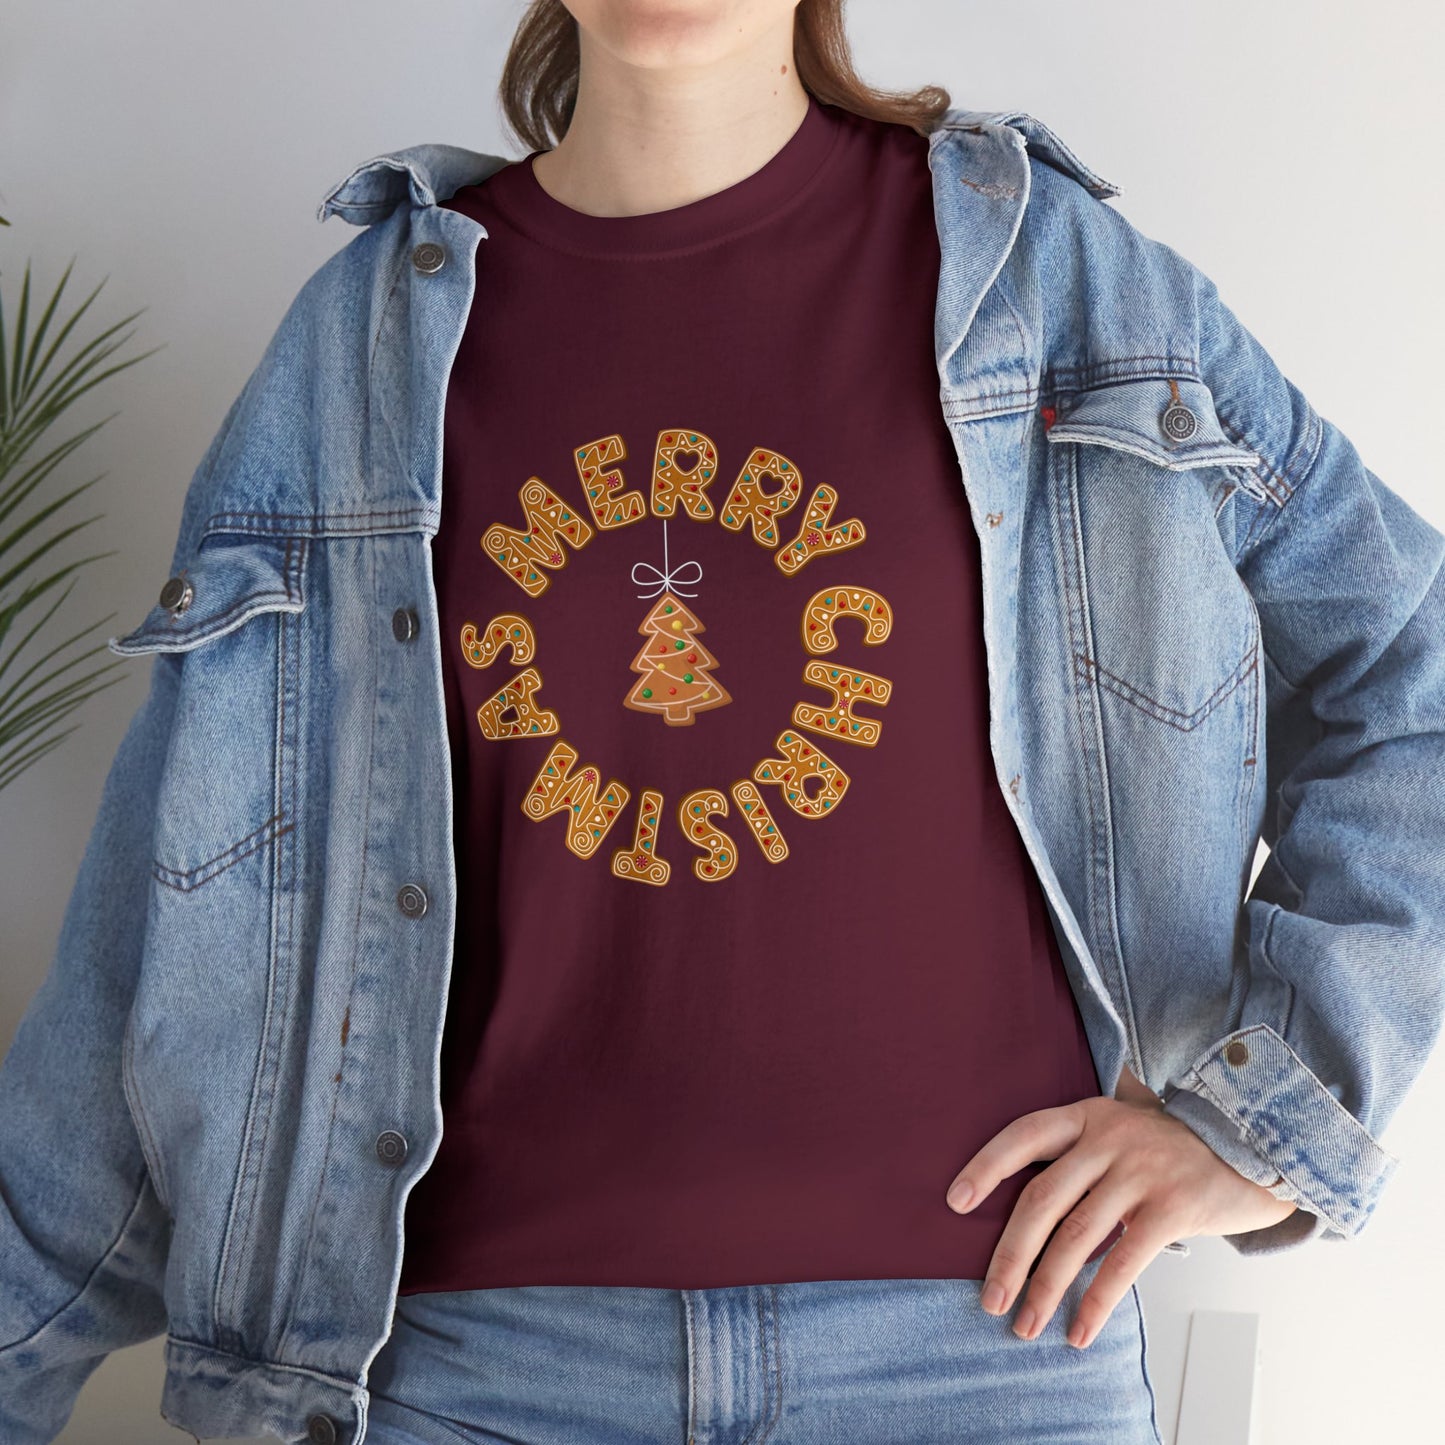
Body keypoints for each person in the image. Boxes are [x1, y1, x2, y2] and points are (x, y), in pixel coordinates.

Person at [3, 2, 1442, 1442]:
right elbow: (173, 923)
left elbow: (1409, 669)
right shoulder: (357, 346)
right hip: (472, 1371)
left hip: (983, 1350)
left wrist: (1269, 1123)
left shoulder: (1059, 288)